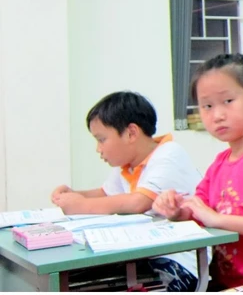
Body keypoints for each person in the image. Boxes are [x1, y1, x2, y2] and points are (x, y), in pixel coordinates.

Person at [153, 54, 243, 289]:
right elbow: (197, 208)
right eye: (207, 106)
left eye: (228, 101)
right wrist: (176, 210)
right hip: (225, 282)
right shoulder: (219, 163)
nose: (217, 115)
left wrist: (219, 220)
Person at [51, 91, 201, 291]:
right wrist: (72, 194)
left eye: (102, 139)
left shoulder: (168, 154)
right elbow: (105, 194)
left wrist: (81, 205)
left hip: (178, 263)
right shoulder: (127, 165)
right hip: (142, 255)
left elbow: (138, 202)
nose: (98, 149)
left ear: (131, 133)